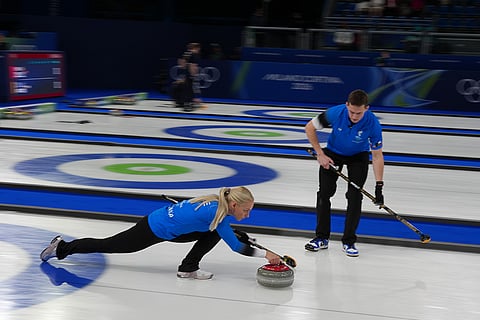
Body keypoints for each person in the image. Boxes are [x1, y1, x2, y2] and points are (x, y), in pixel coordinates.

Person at [40, 186, 281, 280]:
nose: (248, 214)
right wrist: (266, 255)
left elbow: (218, 228)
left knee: (213, 233)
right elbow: (237, 247)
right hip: (154, 229)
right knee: (108, 244)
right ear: (235, 206)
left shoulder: (215, 204)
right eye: (246, 210)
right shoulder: (216, 216)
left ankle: (188, 268)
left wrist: (233, 231)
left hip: (168, 224)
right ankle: (62, 247)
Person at [304, 89, 385, 257]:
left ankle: (349, 241)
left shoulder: (373, 124)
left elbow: (377, 156)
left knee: (355, 197)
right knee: (324, 193)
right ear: (347, 105)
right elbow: (309, 128)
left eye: (359, 113)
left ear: (367, 108)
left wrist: (379, 186)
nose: (354, 116)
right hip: (332, 153)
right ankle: (321, 237)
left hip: (358, 157)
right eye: (352, 111)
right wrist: (320, 154)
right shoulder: (336, 112)